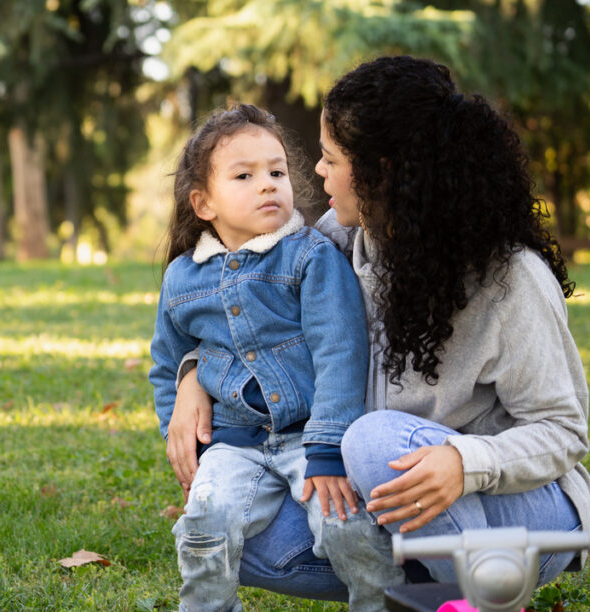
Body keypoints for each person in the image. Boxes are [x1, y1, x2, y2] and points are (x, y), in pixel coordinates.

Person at [170, 56, 590, 610]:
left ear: (383, 173)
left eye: (330, 159)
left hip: (515, 507)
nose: (317, 174)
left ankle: (473, 594)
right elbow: (249, 317)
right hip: (393, 499)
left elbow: (563, 430)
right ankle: (424, 590)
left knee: (373, 442)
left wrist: (466, 463)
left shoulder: (510, 279)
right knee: (221, 533)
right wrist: (193, 377)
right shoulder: (338, 243)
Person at [149, 103, 403, 612]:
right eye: (244, 175)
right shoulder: (182, 278)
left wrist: (330, 447)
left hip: (310, 435)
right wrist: (184, 441)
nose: (267, 184)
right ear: (203, 203)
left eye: (277, 171)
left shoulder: (310, 257)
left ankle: (383, 604)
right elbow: (168, 362)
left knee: (345, 526)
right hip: (231, 445)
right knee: (203, 526)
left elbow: (340, 352)